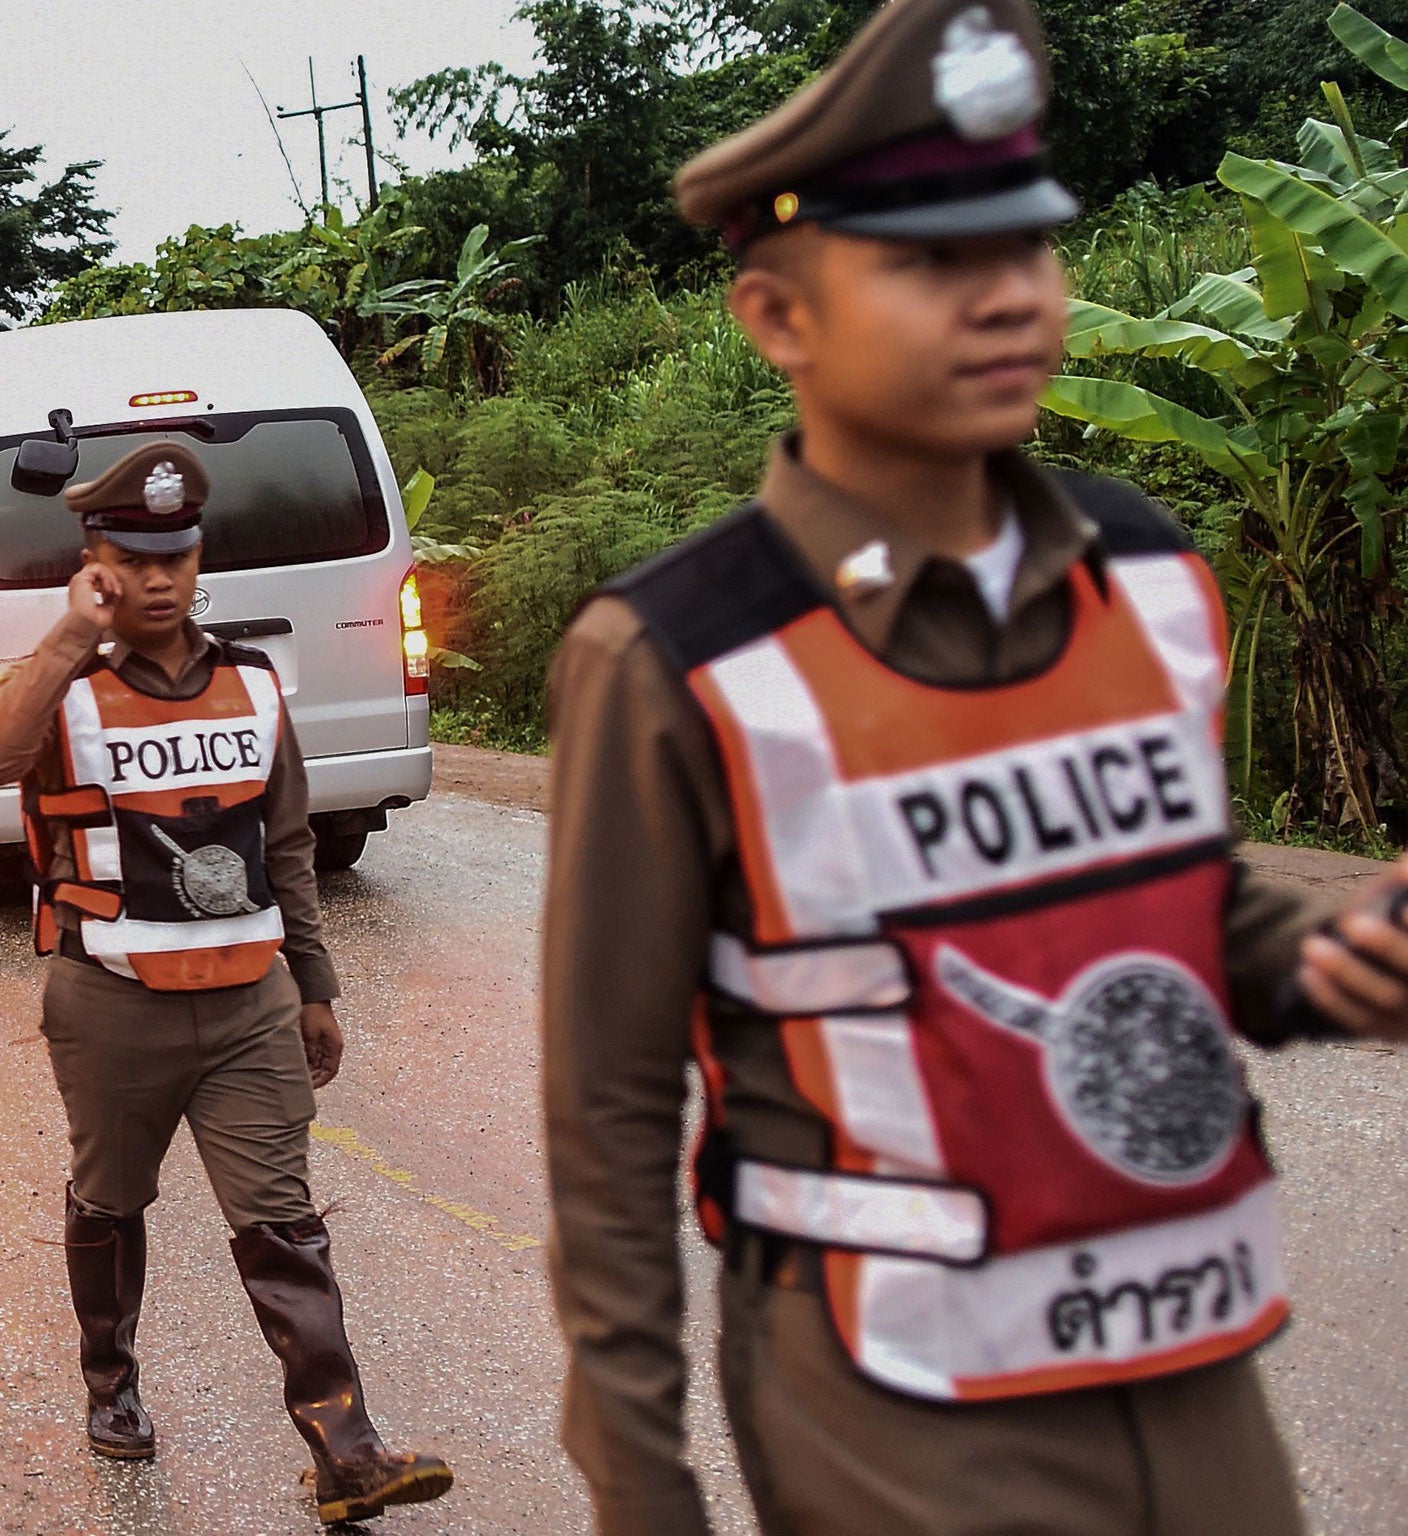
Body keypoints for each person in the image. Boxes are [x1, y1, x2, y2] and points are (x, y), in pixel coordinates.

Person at [539, 4, 1408, 1534]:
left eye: (1027, 251)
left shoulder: (1144, 572)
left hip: (1192, 1352)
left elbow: (1180, 924)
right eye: (935, 264)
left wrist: (1336, 953)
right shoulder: (678, 658)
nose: (1007, 299)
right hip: (900, 1406)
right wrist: (640, 1489)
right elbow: (605, 1123)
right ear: (777, 319)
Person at [0, 443, 452, 1525]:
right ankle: (111, 1383)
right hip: (110, 1005)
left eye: (175, 554)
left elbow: (287, 849)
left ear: (196, 556)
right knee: (108, 1201)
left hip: (248, 1007)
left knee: (282, 1222)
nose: (159, 576)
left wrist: (314, 986)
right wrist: (66, 634)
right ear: (96, 560)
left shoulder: (252, 684)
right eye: (134, 558)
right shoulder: (66, 690)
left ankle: (345, 1448)